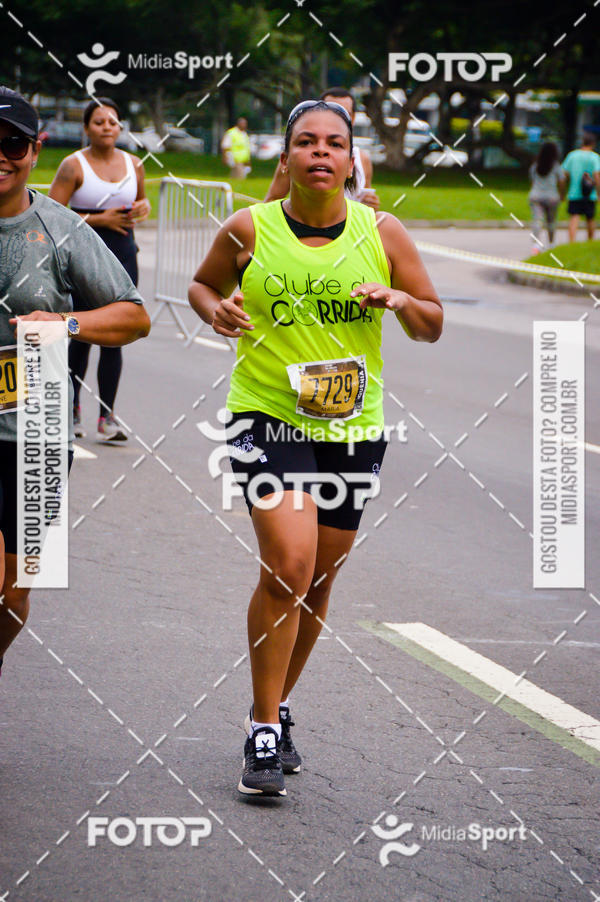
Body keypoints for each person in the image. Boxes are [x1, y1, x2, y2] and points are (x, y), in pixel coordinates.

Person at [189, 99, 442, 797]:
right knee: (289, 566)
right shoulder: (249, 228)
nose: (321, 154)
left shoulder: (383, 233)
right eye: (307, 142)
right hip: (267, 414)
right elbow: (204, 284)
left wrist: (398, 300)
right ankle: (263, 728)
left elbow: (432, 323)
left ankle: (275, 703)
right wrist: (219, 310)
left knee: (320, 578)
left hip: (354, 426)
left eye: (335, 143)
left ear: (353, 158)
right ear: (288, 157)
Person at [0, 87, 150, 677]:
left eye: (12, 142)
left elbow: (133, 315)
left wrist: (64, 322)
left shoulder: (59, 229)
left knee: (16, 593)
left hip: (38, 430)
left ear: (35, 150)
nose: (1, 155)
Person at [49, 97, 150, 442]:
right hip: (82, 259)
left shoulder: (134, 164)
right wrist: (98, 219)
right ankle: (73, 408)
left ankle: (107, 417)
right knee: (81, 333)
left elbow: (142, 200)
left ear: (120, 126)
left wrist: (143, 207)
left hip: (123, 254)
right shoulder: (73, 165)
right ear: (87, 128)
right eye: (99, 122)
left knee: (116, 337)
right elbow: (52, 215)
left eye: (112, 121)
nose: (107, 127)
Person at [265, 88, 380, 211]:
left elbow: (367, 202)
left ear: (350, 164)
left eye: (343, 112)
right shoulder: (298, 158)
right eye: (306, 142)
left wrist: (371, 205)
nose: (321, 151)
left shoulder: (363, 159)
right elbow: (272, 200)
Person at [561, 132, 600, 242]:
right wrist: (598, 192)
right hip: (590, 193)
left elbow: (564, 174)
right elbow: (597, 175)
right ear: (593, 143)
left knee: (574, 217)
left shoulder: (572, 155)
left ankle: (572, 241)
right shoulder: (595, 157)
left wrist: (563, 192)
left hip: (574, 192)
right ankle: (590, 240)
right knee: (590, 218)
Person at [528, 141, 564, 254]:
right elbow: (562, 180)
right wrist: (562, 194)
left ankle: (536, 244)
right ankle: (551, 243)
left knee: (537, 219)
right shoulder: (556, 166)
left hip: (536, 196)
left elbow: (532, 181)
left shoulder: (535, 165)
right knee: (551, 221)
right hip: (552, 197)